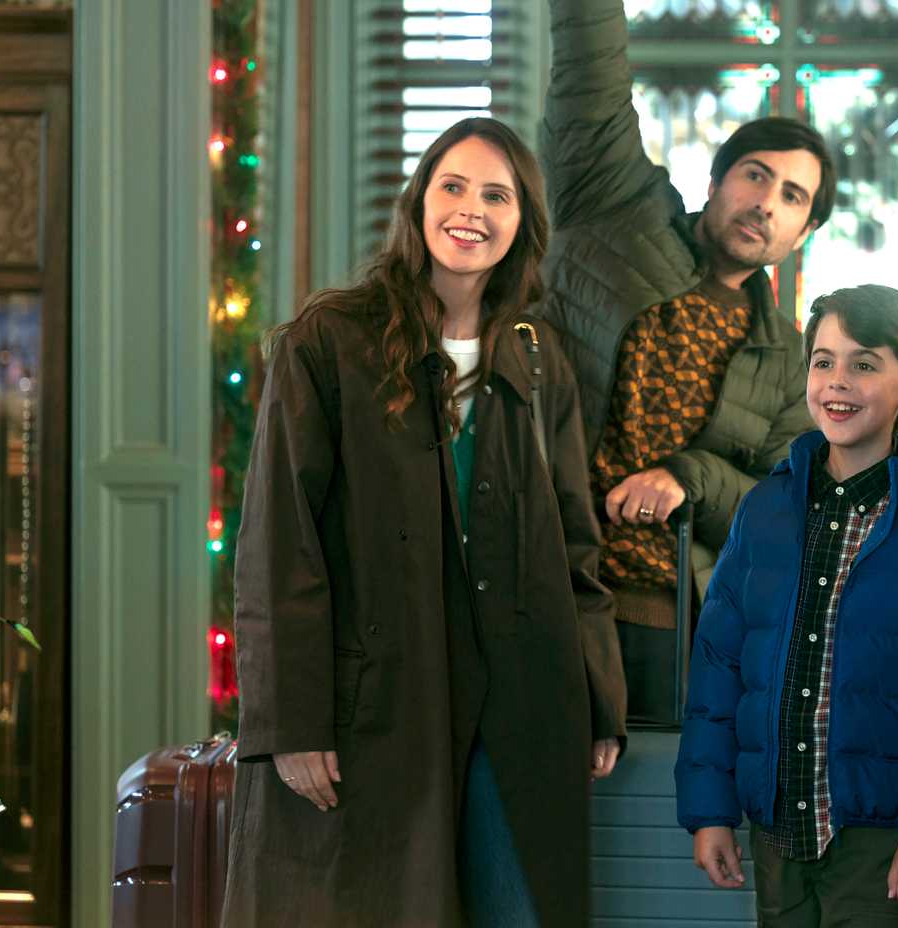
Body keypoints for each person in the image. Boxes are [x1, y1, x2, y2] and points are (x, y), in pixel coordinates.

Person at [221, 117, 626, 927]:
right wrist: (292, 722)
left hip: (518, 705)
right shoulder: (328, 341)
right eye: (454, 185)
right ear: (418, 203)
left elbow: (574, 543)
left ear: (521, 225)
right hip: (373, 701)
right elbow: (279, 542)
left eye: (496, 195)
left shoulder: (539, 359)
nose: (471, 210)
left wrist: (595, 698)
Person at [539, 0, 840, 718]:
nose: (766, 202)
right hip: (541, 586)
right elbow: (590, 77)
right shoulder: (617, 207)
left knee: (650, 824)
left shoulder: (787, 361)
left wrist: (688, 479)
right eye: (755, 176)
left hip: (673, 626)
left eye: (792, 196)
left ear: (804, 230)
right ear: (717, 182)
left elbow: (786, 511)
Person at [674, 285, 898, 927]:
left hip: (876, 831)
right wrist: (709, 809)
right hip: (776, 821)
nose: (837, 382)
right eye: (823, 361)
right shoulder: (765, 509)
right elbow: (718, 665)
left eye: (863, 363)